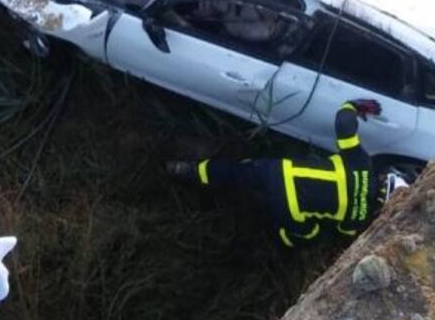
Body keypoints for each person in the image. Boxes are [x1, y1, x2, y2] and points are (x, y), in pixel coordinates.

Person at [167, 99, 406, 247]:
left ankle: (187, 171)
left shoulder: (361, 164)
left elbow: (343, 124)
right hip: (289, 207)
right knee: (309, 236)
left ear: (386, 177)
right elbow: (341, 233)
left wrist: (353, 106)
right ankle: (272, 239)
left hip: (281, 172)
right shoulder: (358, 221)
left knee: (237, 173)